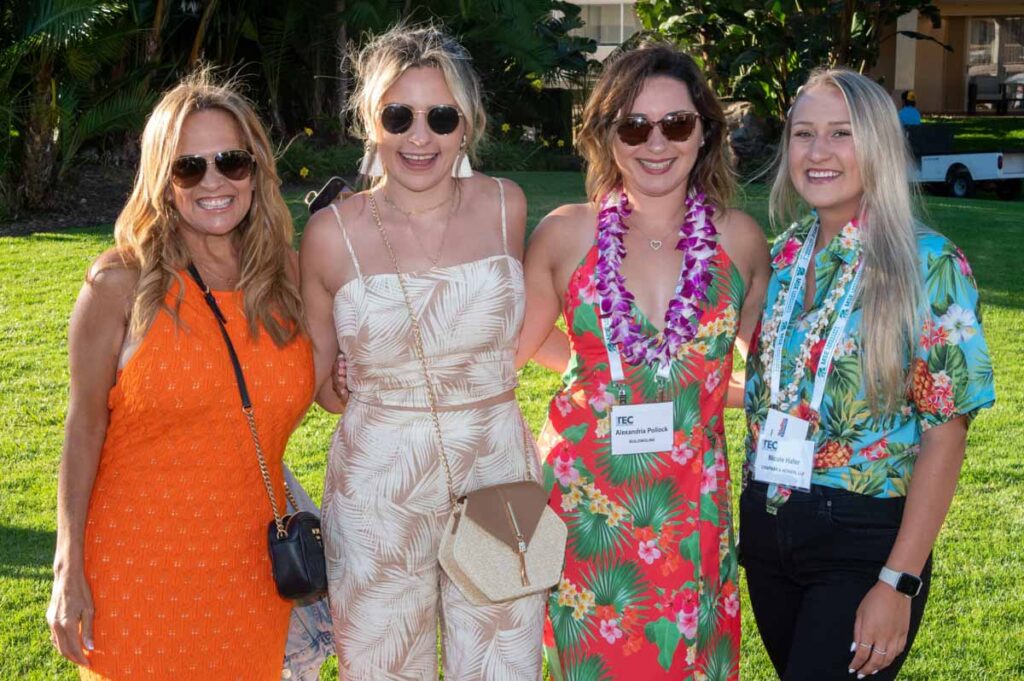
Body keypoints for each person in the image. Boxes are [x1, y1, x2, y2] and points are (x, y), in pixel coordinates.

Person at [45, 70, 313, 679]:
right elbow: (83, 426)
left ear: (256, 170)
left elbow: (325, 384)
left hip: (251, 574)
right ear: (162, 182)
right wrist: (68, 565)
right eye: (189, 168)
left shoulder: (288, 282)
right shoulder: (119, 284)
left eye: (231, 161)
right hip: (135, 570)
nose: (213, 182)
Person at [516, 44, 770, 679]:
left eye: (676, 124)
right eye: (634, 126)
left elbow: (773, 372)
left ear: (705, 131)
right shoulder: (565, 233)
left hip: (691, 513)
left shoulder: (740, 240)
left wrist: (704, 392)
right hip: (584, 511)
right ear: (607, 135)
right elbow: (505, 353)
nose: (656, 143)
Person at [299, 25, 546, 679]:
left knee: (502, 666)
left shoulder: (506, 205)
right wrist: (341, 381)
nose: (419, 136)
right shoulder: (330, 235)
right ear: (371, 122)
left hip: (497, 473)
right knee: (383, 668)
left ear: (467, 125)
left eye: (441, 116)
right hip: (379, 488)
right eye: (398, 116)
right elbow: (322, 388)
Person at [741, 68, 995, 680]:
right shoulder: (782, 255)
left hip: (860, 539)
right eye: (804, 133)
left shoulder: (929, 264)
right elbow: (773, 385)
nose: (818, 152)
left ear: (878, 144)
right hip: (769, 526)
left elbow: (945, 435)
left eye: (842, 133)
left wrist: (898, 580)